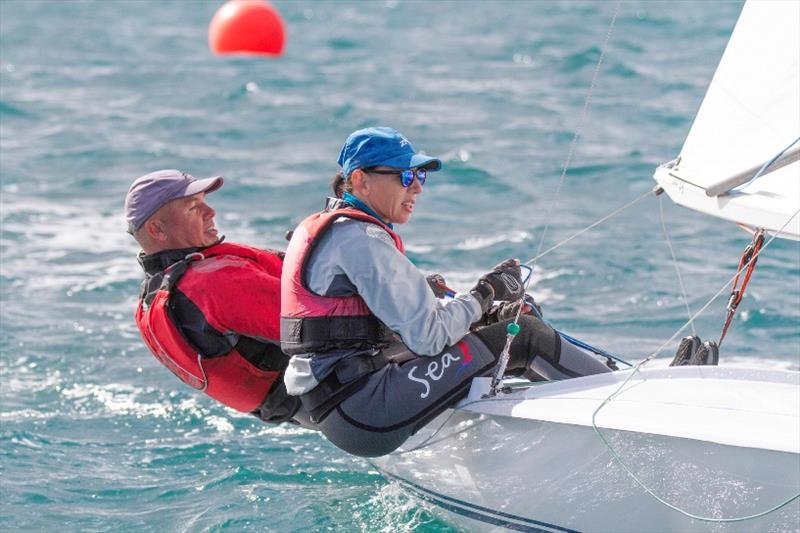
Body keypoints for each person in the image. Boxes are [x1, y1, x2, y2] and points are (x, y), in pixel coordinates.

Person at [280, 127, 613, 457]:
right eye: (405, 176)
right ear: (361, 180)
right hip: (365, 409)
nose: (416, 188)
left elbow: (373, 322)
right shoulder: (361, 240)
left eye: (419, 177)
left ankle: (570, 421)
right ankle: (619, 399)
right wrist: (485, 293)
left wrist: (485, 314)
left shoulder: (332, 227)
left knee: (504, 329)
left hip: (342, 405)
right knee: (526, 335)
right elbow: (428, 337)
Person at [126, 169, 310, 426]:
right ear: (157, 229)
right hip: (347, 392)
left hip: (315, 411)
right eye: (193, 208)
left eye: (204, 203)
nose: (210, 212)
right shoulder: (212, 282)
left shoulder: (156, 296)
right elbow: (324, 327)